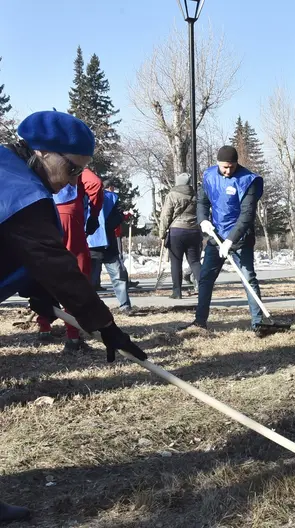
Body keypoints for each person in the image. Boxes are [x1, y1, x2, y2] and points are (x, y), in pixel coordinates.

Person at [0, 111, 147, 522]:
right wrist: (106, 326)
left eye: (80, 173)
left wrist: (39, 299)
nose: (71, 181)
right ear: (43, 151)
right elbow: (55, 264)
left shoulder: (7, 168)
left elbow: (18, 255)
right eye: (70, 168)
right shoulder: (20, 193)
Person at [181, 146, 283, 337]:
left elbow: (247, 215)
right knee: (205, 278)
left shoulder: (248, 181)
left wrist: (230, 240)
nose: (228, 171)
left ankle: (258, 322)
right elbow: (202, 202)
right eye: (225, 167)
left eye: (232, 167)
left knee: (248, 278)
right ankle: (200, 321)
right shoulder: (209, 176)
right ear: (218, 163)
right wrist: (203, 220)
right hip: (216, 236)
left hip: (240, 238)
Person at [36, 166, 104, 352]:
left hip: (42, 213)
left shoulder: (40, 158)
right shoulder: (74, 161)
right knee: (76, 273)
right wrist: (94, 214)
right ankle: (73, 336)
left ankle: (44, 326)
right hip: (69, 217)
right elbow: (95, 184)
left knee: (43, 269)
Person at [88, 183, 134, 313]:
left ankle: (125, 305)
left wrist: (107, 227)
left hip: (106, 243)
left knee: (118, 275)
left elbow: (118, 215)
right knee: (90, 279)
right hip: (93, 244)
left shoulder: (111, 198)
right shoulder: (83, 196)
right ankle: (91, 309)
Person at [160, 173, 202, 299]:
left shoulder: (172, 195)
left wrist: (162, 233)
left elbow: (166, 215)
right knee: (194, 262)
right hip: (194, 231)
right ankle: (203, 289)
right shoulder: (196, 195)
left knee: (176, 262)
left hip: (176, 231)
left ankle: (177, 292)